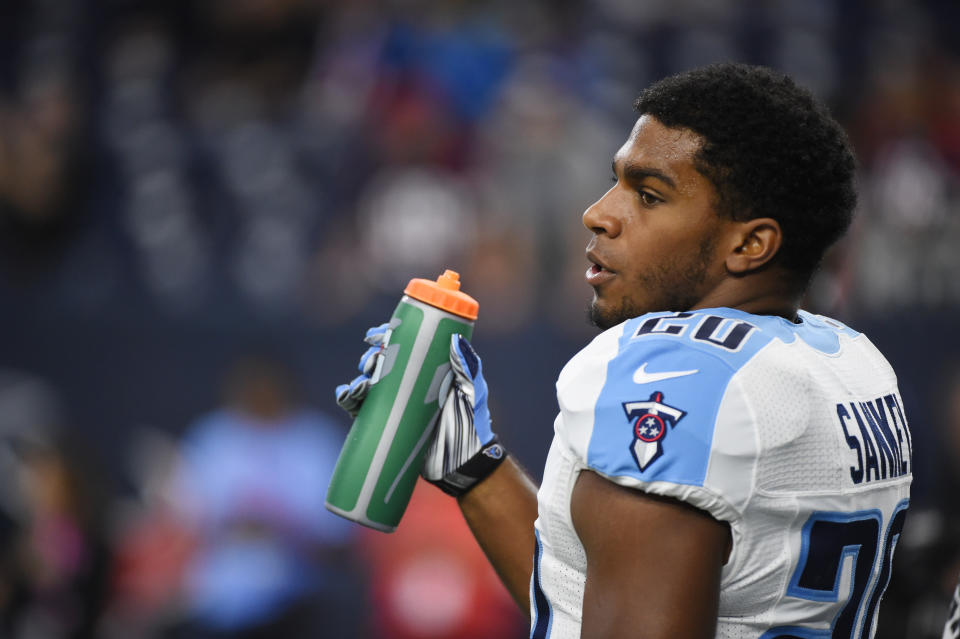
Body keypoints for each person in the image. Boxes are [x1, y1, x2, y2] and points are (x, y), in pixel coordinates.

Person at [336, 63, 913, 638]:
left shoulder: (673, 371)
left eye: (649, 195)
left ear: (750, 243)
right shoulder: (850, 357)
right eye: (616, 182)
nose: (599, 214)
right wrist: (475, 470)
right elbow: (596, 602)